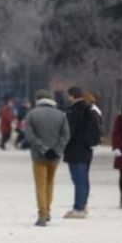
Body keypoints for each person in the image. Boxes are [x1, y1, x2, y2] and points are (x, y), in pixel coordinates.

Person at [24, 89, 70, 227]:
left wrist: (43, 149)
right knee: (50, 183)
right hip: (55, 157)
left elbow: (30, 136)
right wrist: (56, 150)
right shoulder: (61, 115)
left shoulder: (32, 114)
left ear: (37, 99)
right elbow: (65, 136)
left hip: (38, 156)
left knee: (40, 184)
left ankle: (42, 214)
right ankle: (48, 210)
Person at [63, 86, 100, 219]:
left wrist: (63, 143)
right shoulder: (89, 109)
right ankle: (83, 205)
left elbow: (69, 131)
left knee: (78, 180)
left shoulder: (74, 111)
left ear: (72, 96)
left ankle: (78, 208)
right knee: (83, 179)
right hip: (86, 149)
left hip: (75, 148)